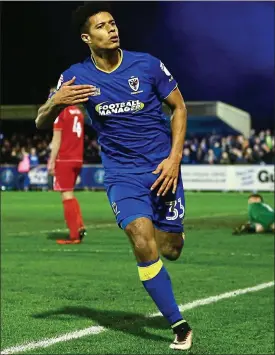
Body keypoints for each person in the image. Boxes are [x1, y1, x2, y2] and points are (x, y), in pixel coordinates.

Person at [35, 2, 191, 350]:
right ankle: (179, 324)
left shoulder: (147, 65)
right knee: (140, 237)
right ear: (87, 37)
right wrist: (54, 102)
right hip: (122, 175)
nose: (112, 29)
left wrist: (174, 159)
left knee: (172, 249)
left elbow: (179, 107)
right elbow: (40, 122)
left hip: (162, 170)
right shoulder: (76, 76)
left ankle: (173, 235)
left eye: (113, 23)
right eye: (102, 26)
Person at [48, 88, 86, 245]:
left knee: (66, 195)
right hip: (77, 158)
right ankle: (79, 225)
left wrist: (51, 161)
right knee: (70, 193)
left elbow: (57, 141)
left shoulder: (60, 114)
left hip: (64, 159)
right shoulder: (78, 112)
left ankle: (74, 235)